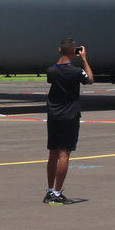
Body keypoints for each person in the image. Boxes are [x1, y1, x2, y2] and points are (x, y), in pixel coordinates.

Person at [44, 38, 93, 205]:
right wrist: (84, 59)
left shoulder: (51, 71)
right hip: (70, 116)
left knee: (53, 153)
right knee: (64, 154)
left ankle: (49, 190)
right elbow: (90, 79)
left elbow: (53, 77)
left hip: (54, 115)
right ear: (74, 52)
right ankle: (57, 193)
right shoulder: (76, 71)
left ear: (59, 50)